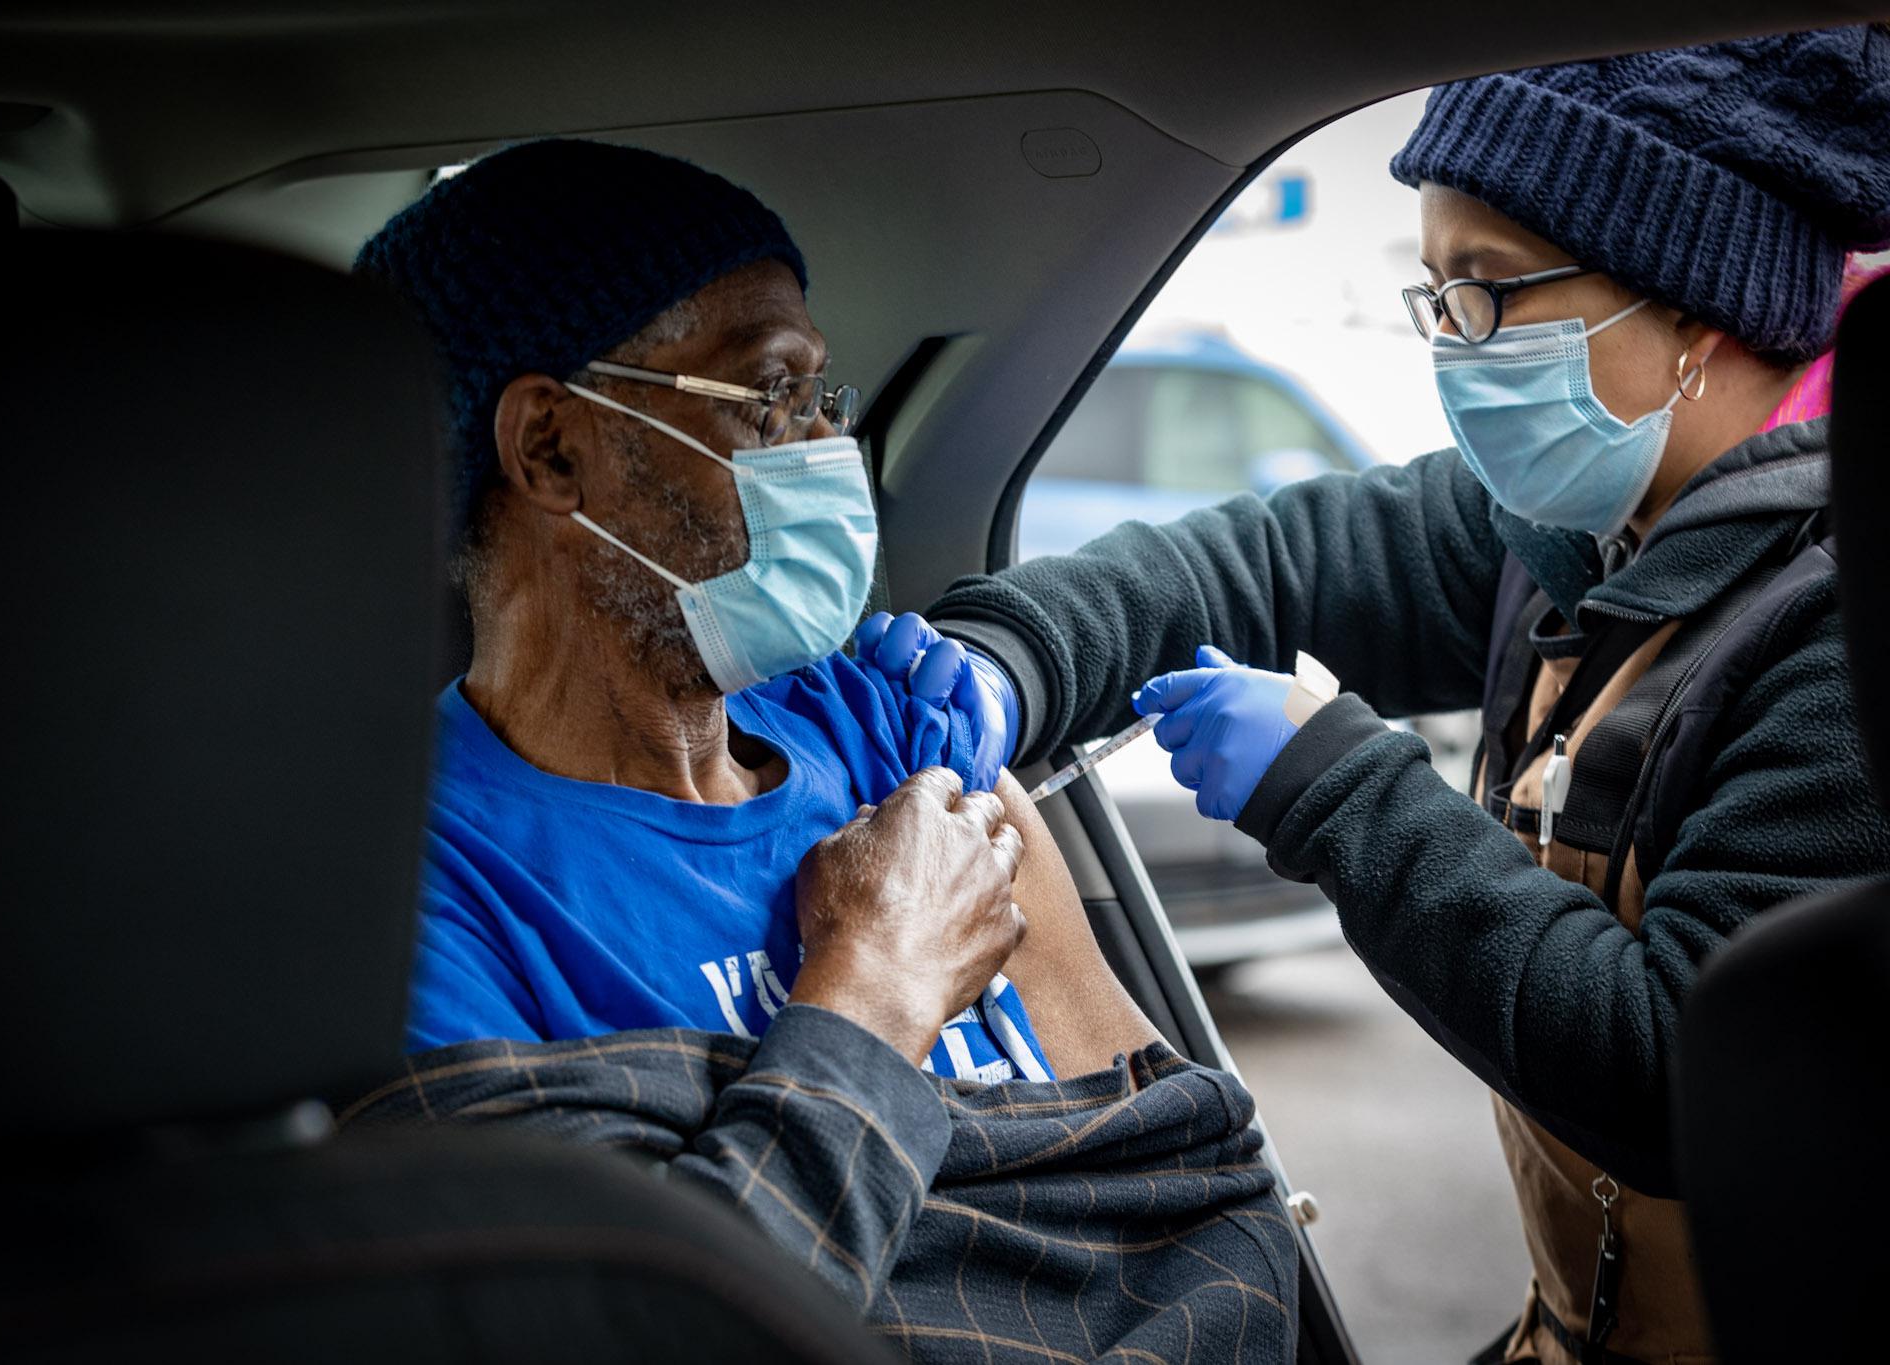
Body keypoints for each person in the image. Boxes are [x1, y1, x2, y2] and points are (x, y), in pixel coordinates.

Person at [861, 28, 1890, 1365]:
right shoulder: (1568, 538)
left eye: (1489, 292)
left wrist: (1335, 784)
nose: (1454, 348)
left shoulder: (1834, 629)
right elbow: (1262, 563)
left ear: (1691, 309)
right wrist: (1014, 654)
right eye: (1435, 294)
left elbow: (1677, 1076)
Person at [345, 141, 1299, 1361]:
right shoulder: (410, 890)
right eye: (769, 396)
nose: (824, 454)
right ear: (552, 451)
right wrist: (875, 987)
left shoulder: (884, 727)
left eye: (821, 401)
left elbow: (1179, 1169)